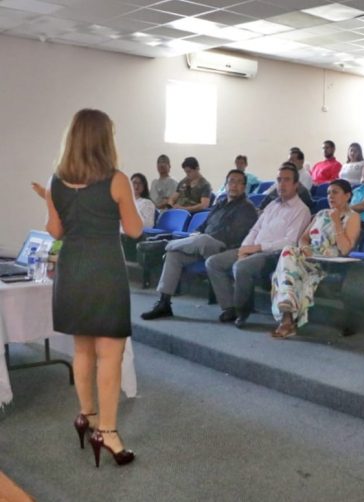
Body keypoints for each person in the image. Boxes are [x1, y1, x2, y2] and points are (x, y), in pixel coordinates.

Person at [45, 109, 143, 466]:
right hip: (104, 270)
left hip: (72, 270)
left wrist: (50, 201)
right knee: (110, 356)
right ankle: (109, 431)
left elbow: (55, 232)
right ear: (104, 139)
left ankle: (85, 417)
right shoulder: (116, 179)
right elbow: (134, 230)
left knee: (83, 350)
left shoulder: (56, 180)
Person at [141, 169, 258, 319]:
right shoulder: (220, 203)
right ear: (226, 184)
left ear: (244, 187)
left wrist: (202, 237)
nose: (234, 185)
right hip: (204, 245)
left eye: (239, 182)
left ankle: (166, 243)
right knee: (174, 255)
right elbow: (204, 225)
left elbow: (231, 235)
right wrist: (196, 234)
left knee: (204, 240)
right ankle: (164, 303)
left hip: (227, 249)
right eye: (231, 181)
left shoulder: (247, 208)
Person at [206, 164, 311, 327]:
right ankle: (229, 307)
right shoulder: (272, 205)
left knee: (241, 268)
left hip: (275, 255)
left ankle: (242, 312)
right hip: (252, 249)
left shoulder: (301, 210)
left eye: (287, 180)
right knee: (213, 263)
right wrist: (244, 249)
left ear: (296, 185)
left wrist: (257, 248)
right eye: (278, 180)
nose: (281, 184)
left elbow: (289, 241)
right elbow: (255, 229)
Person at [270, 179, 361, 338]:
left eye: (335, 192)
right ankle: (287, 313)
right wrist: (305, 248)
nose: (330, 196)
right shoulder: (320, 214)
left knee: (288, 267)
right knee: (288, 251)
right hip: (310, 256)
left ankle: (287, 316)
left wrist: (336, 222)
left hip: (330, 262)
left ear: (347, 196)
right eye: (328, 193)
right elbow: (303, 238)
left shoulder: (353, 217)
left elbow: (345, 249)